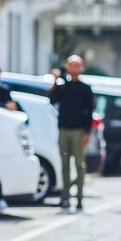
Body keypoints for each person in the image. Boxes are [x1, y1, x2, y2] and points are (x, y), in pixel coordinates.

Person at [48, 54, 93, 211]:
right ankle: (65, 197)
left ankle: (79, 197)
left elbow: (90, 112)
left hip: (79, 131)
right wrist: (55, 80)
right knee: (64, 165)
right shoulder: (62, 87)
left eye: (77, 65)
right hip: (64, 129)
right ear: (67, 67)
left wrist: (87, 132)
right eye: (71, 65)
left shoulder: (85, 88)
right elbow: (52, 100)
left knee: (80, 165)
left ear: (81, 68)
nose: (74, 68)